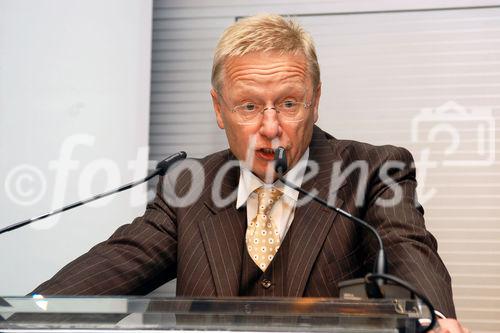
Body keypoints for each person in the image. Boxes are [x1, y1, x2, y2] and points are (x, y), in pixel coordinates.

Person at [33, 14, 468, 332]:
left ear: (315, 102)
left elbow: (409, 248)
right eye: (248, 106)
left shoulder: (373, 171)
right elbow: (117, 262)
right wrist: (28, 310)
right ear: (219, 110)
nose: (270, 127)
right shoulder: (190, 187)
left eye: (289, 103)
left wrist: (438, 318)